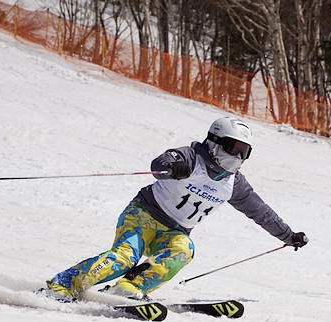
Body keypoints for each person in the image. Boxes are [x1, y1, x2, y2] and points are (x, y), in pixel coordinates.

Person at [41, 116, 309, 302]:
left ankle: (129, 287)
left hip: (175, 231)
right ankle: (63, 285)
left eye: (245, 152)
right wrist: (171, 166)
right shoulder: (192, 157)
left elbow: (260, 212)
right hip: (143, 216)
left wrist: (288, 235)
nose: (238, 157)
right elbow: (161, 162)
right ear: (215, 141)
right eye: (234, 148)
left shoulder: (234, 184)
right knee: (124, 258)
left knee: (184, 250)